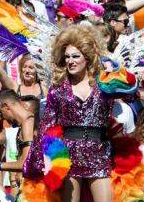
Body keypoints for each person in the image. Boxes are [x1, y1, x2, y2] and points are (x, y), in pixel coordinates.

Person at [40, 26, 113, 202]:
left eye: (75, 56)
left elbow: (131, 94)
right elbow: (48, 127)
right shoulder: (57, 90)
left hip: (99, 151)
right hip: (68, 155)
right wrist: (49, 159)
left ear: (87, 58)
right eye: (67, 57)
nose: (70, 61)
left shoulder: (104, 84)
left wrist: (118, 74)